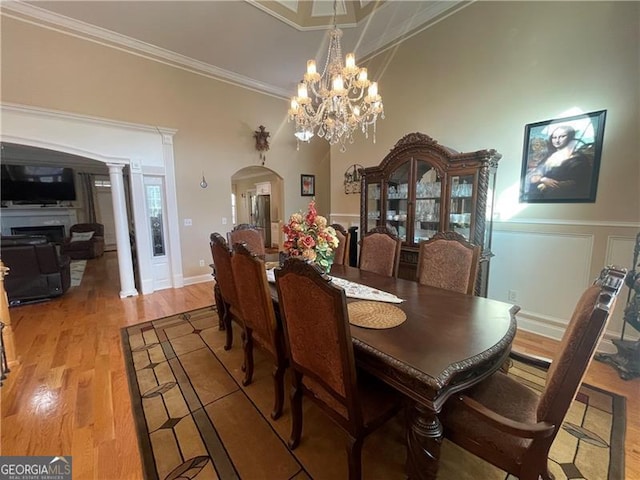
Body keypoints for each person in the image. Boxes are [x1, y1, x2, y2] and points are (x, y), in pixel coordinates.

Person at [526, 124, 594, 200]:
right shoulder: (547, 157)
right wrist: (543, 179)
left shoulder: (579, 159)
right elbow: (533, 175)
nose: (557, 140)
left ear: (570, 137)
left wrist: (552, 185)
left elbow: (579, 182)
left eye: (562, 136)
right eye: (554, 137)